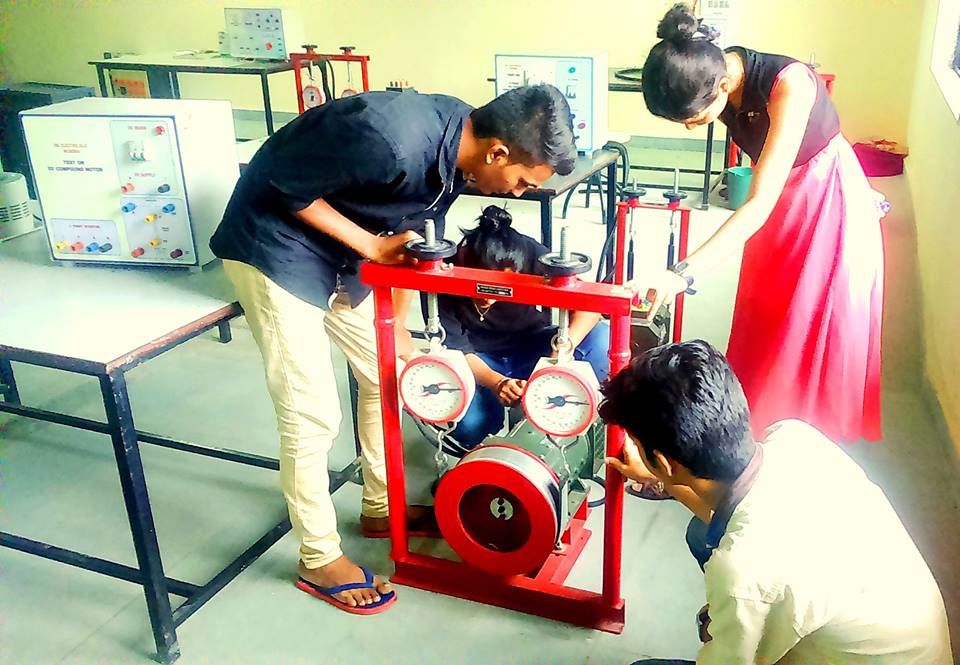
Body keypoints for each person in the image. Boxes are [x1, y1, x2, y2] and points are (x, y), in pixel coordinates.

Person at [209, 85, 577, 614]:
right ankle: (318, 556)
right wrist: (370, 245)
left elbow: (412, 239)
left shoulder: (459, 154)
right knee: (311, 413)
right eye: (523, 181)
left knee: (389, 374)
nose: (519, 194)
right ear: (498, 152)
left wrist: (398, 329)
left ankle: (380, 506)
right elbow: (278, 184)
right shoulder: (389, 137)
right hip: (275, 247)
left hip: (345, 253)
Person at [600, 340, 952, 665]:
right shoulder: (795, 437)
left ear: (665, 461)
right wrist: (661, 476)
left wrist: (729, 622)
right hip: (904, 636)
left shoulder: (742, 571)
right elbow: (740, 518)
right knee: (701, 534)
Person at [638, 4, 884, 448]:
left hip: (823, 195)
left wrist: (681, 273)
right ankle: (757, 431)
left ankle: (805, 442)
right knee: (765, 312)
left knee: (810, 319)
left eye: (695, 118)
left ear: (723, 86)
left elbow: (758, 202)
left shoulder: (790, 84)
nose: (693, 129)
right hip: (778, 196)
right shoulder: (715, 73)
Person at [429, 205, 609, 453]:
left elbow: (590, 307)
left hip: (532, 346)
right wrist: (497, 383)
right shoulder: (445, 271)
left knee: (600, 338)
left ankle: (559, 422)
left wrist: (561, 352)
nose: (488, 298)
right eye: (482, 285)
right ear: (465, 261)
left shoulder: (528, 253)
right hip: (478, 360)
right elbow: (456, 349)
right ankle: (486, 441)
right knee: (470, 425)